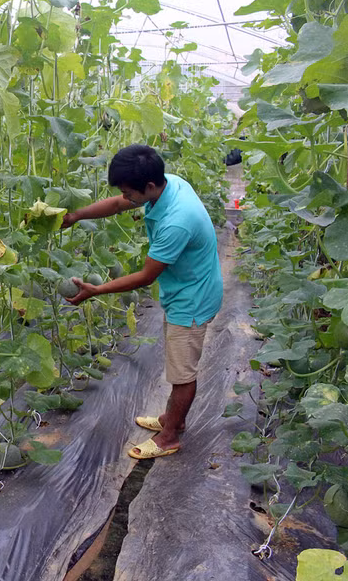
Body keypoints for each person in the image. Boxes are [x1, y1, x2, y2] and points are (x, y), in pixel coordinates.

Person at [61, 144, 223, 460]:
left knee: (182, 373)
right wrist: (77, 216)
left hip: (192, 298)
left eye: (129, 192)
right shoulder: (167, 183)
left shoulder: (177, 220)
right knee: (179, 364)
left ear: (148, 186)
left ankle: (169, 436)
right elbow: (119, 204)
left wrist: (97, 290)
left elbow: (146, 276)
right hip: (184, 286)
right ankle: (171, 418)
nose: (126, 198)